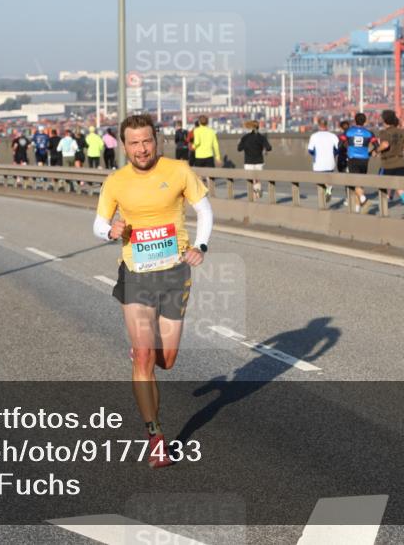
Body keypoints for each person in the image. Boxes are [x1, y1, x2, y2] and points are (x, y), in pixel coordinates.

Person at [93, 113, 213, 469]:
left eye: (147, 141)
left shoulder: (178, 171)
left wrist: (200, 246)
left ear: (156, 140)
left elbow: (204, 211)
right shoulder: (116, 181)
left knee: (167, 360)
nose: (142, 148)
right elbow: (98, 223)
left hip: (174, 273)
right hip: (136, 276)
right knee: (145, 357)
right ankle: (156, 438)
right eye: (134, 143)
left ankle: (144, 353)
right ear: (124, 146)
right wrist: (110, 231)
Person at [376, 109, 404, 220]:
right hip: (400, 163)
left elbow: (385, 144)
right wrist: (398, 148)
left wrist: (376, 150)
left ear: (384, 120)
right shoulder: (401, 132)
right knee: (400, 188)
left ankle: (384, 211)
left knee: (380, 184)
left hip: (387, 164)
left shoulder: (383, 132)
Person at [344, 113, 377, 212]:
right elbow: (376, 145)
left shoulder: (349, 132)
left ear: (355, 120)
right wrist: (370, 153)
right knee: (360, 183)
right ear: (365, 121)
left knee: (355, 182)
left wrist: (346, 150)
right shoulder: (369, 133)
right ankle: (357, 207)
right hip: (364, 159)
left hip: (352, 159)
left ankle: (363, 199)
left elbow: (340, 143)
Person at [307, 118, 339, 204]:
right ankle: (328, 190)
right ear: (326, 125)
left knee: (318, 182)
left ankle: (325, 195)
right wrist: (333, 154)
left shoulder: (314, 136)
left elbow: (310, 150)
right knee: (327, 179)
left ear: (318, 125)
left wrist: (316, 154)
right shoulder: (333, 136)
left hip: (318, 164)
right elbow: (338, 149)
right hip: (330, 163)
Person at [237, 120, 272, 199]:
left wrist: (245, 146)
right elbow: (269, 148)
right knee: (257, 179)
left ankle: (253, 195)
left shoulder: (245, 137)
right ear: (258, 127)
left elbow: (239, 149)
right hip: (259, 161)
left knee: (251, 180)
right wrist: (262, 148)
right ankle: (257, 192)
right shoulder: (261, 137)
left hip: (248, 162)